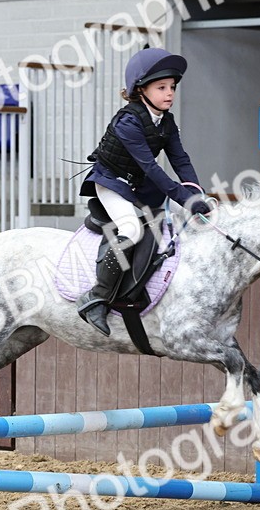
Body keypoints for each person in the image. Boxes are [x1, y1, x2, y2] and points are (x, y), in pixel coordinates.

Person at [76, 47, 212, 335]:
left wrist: (196, 195)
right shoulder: (128, 122)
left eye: (172, 87)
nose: (170, 93)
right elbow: (151, 167)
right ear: (140, 90)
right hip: (111, 181)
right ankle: (97, 297)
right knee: (131, 230)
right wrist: (183, 198)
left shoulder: (167, 121)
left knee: (168, 226)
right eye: (161, 87)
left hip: (137, 184)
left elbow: (180, 159)